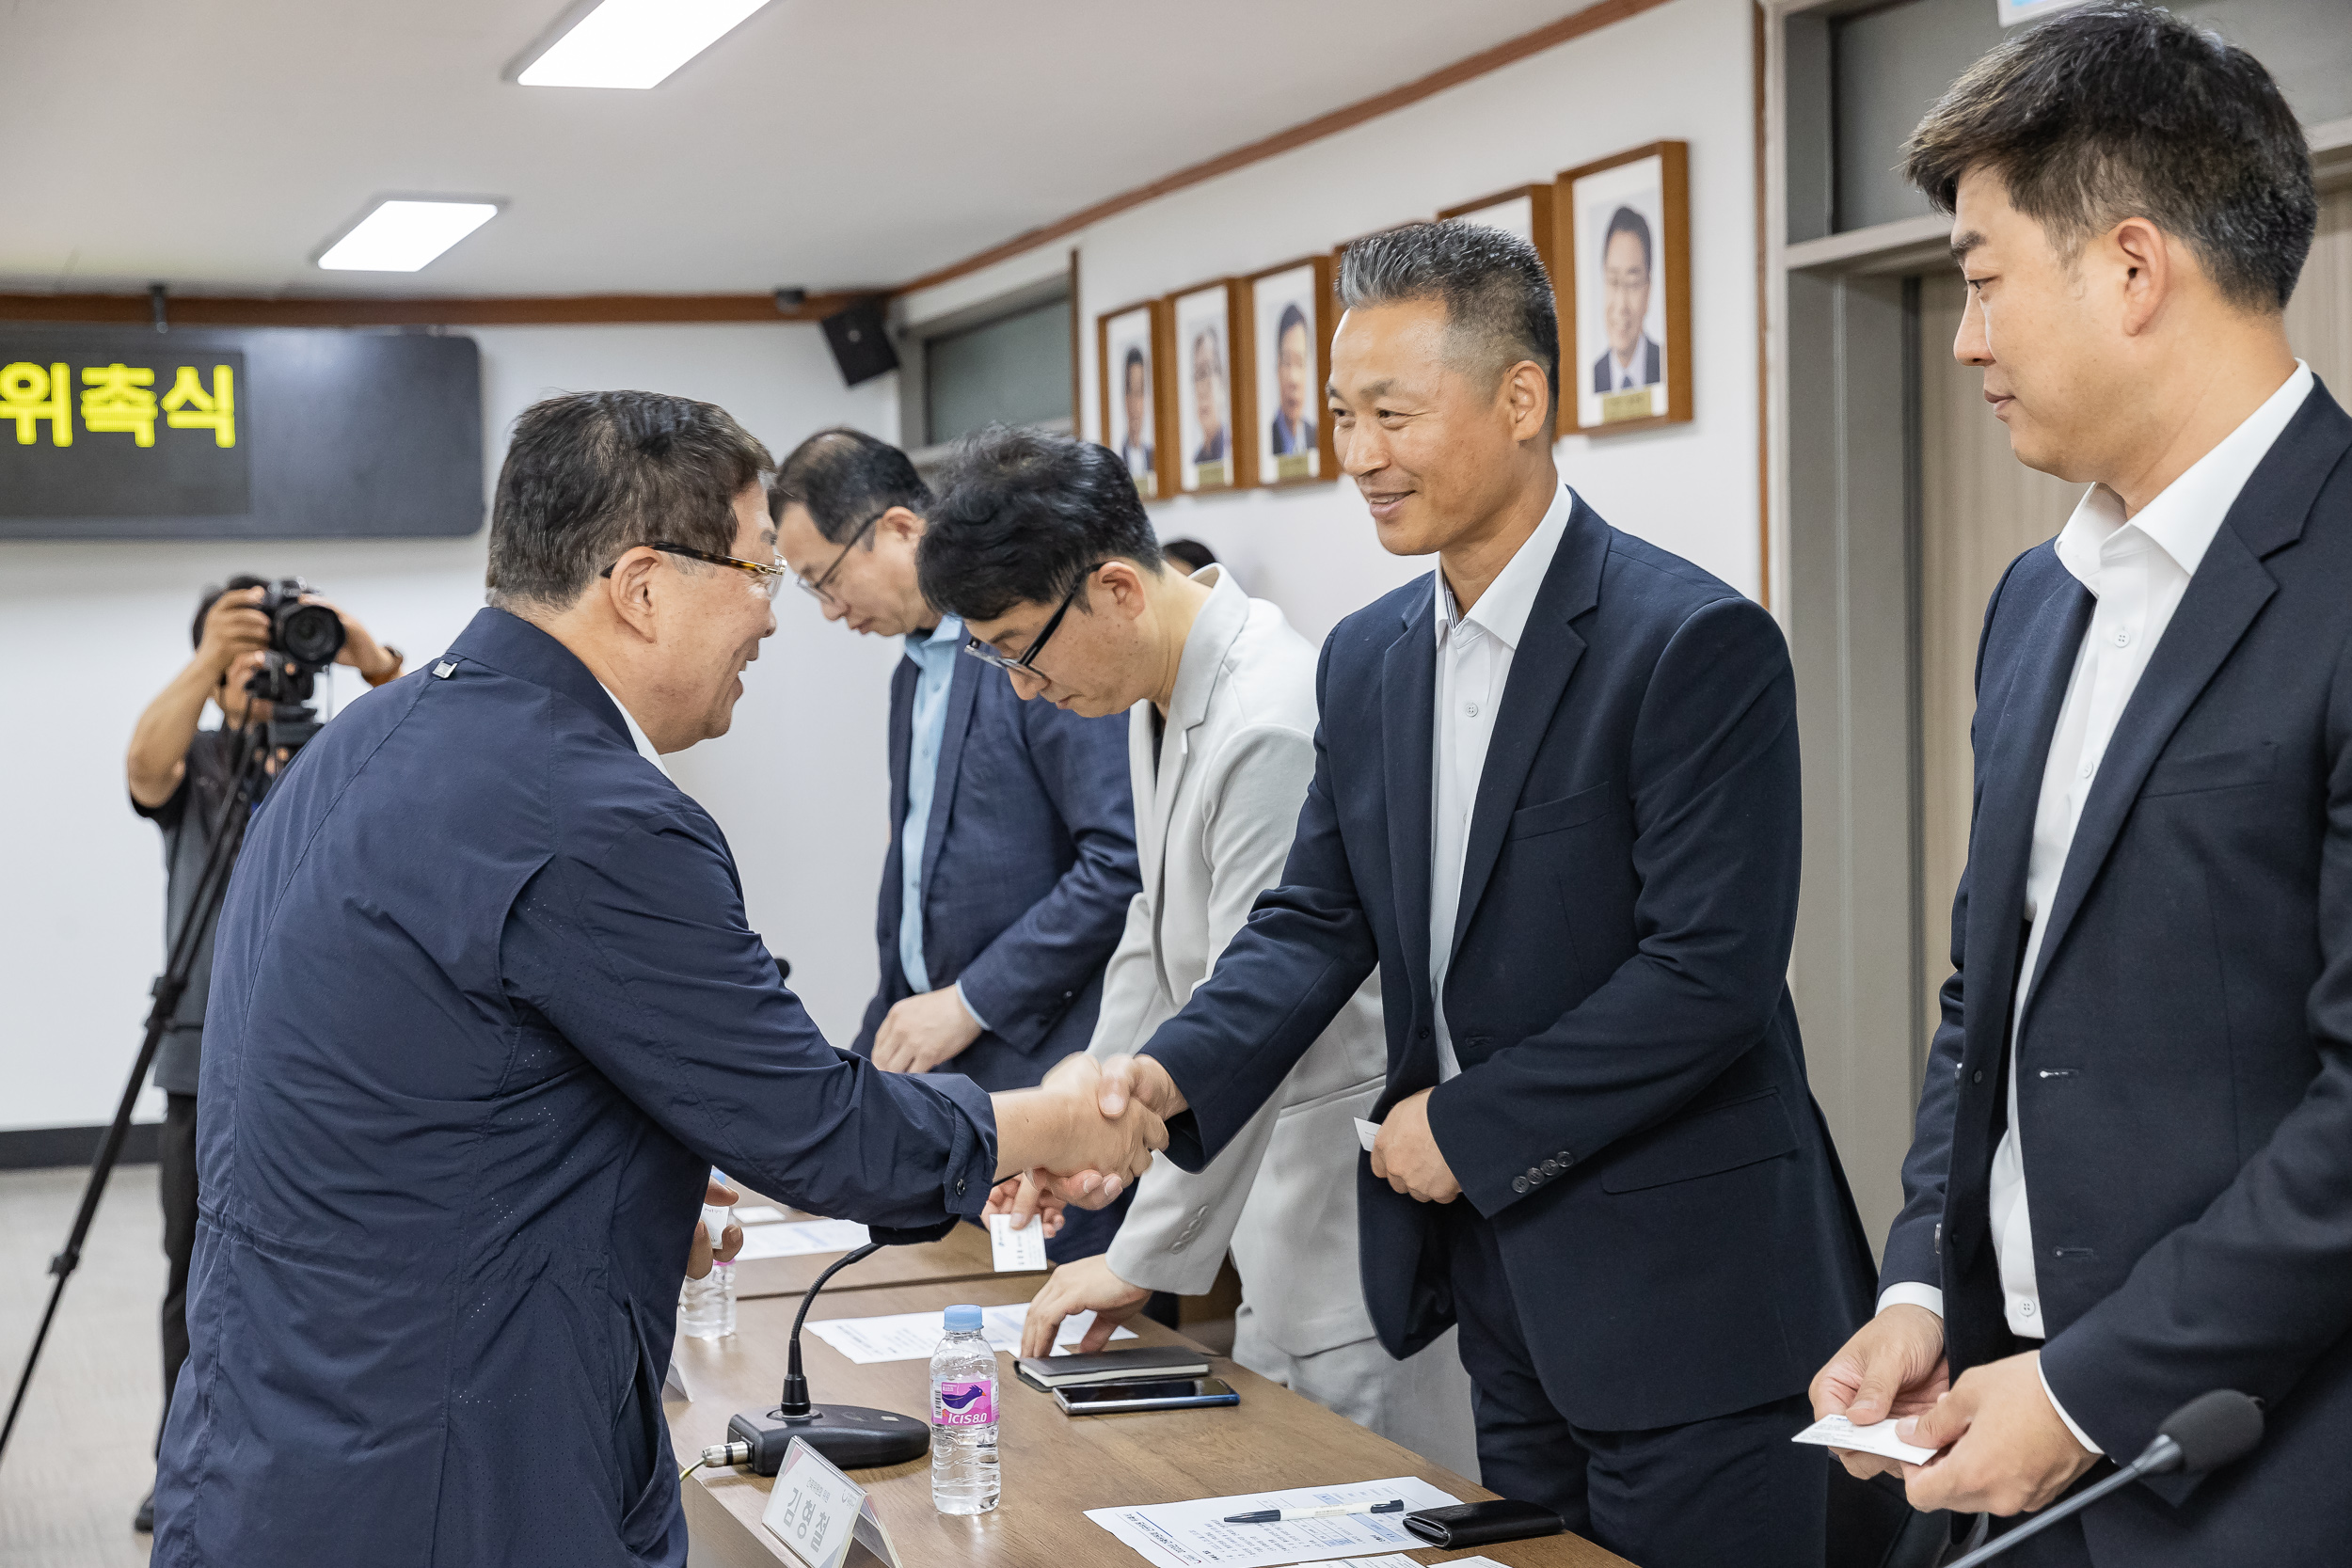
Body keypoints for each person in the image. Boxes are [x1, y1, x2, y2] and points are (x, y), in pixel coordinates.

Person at [151, 390, 1163, 1568]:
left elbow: (412, 1098)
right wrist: (1043, 1120)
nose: (773, 619)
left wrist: (627, 1182)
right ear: (640, 585)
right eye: (756, 571)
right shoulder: (590, 812)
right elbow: (821, 1131)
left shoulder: (355, 748)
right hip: (454, 1477)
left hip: (272, 1443)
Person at [1073, 220, 1877, 1568]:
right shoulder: (1372, 657)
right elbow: (1316, 918)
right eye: (1341, 413)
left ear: (1522, 400)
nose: (1361, 453)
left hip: (1691, 1290)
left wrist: (1473, 1120)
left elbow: (1711, 974)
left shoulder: (1689, 641)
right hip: (1498, 1280)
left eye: (1395, 411)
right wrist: (1169, 1074)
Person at [1808, 10, 2344, 1566]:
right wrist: (1922, 1282)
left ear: (2130, 267)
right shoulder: (2038, 602)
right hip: (1996, 1435)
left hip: (2257, 1463)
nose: (1963, 335)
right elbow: (1993, 991)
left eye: (1981, 280)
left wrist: (2095, 1387)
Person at [923, 427, 1479, 1473]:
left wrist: (1136, 1256)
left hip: (1336, 1210)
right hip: (1259, 1200)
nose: (1021, 690)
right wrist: (1075, 1108)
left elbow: (1253, 1012)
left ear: (1120, 590)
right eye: (991, 658)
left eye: (1020, 651)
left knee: (1382, 1501)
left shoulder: (1268, 712)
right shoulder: (1163, 687)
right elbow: (1152, 928)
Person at [770, 428, 1143, 1263]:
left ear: (900, 529)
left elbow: (1119, 861)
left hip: (1050, 1081)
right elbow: (920, 879)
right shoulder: (915, 669)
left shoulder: (1034, 651)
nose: (830, 609)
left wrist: (969, 999)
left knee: (1047, 1353)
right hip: (944, 1087)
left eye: (826, 578)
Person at [122, 575, 401, 1532]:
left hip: (337, 1060)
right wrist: (208, 662)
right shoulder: (199, 757)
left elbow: (432, 751)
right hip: (204, 1060)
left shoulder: (340, 748)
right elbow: (140, 767)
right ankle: (183, 1461)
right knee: (192, 1267)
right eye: (238, 643)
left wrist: (371, 658)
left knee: (335, 1269)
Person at [1590, 206, 1661, 394]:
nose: (1621, 305)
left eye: (1632, 283)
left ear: (1648, 290)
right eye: (1613, 281)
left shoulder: (1666, 366)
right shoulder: (1590, 377)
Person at [1270, 303, 1317, 456]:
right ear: (1277, 368)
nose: (1293, 379)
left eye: (1299, 363)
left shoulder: (1316, 436)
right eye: (1287, 362)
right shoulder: (1266, 438)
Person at [1190, 327, 1229, 467]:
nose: (1202, 389)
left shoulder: (1231, 449)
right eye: (1198, 375)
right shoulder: (1195, 461)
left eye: (1206, 372)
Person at [1118, 344, 1155, 483]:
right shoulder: (1118, 459)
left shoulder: (1154, 457)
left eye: (1139, 392)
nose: (1134, 404)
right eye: (1129, 392)